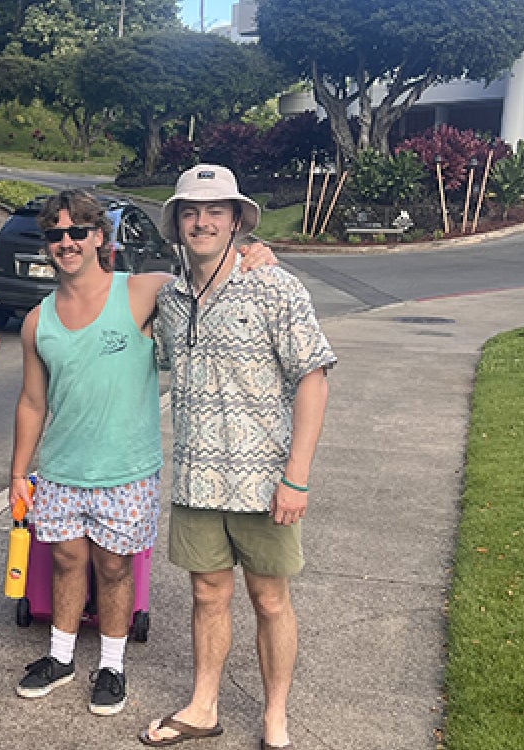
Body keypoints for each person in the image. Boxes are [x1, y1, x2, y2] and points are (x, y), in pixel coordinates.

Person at [7, 190, 274, 718]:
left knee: (113, 568)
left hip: (126, 470)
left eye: (77, 232)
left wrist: (254, 252)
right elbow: (32, 403)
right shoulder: (39, 321)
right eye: (56, 235)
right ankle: (60, 658)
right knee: (65, 562)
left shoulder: (142, 292)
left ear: (99, 237)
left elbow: (208, 281)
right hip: (61, 469)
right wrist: (19, 472)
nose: (67, 242)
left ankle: (111, 665)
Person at [139, 165, 334, 750]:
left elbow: (314, 377)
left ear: (236, 221)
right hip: (197, 479)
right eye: (191, 212)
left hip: (265, 482)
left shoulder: (275, 286)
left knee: (270, 598)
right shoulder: (169, 299)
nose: (202, 221)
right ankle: (204, 706)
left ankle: (276, 716)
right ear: (176, 222)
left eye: (215, 211)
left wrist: (296, 478)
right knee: (207, 593)